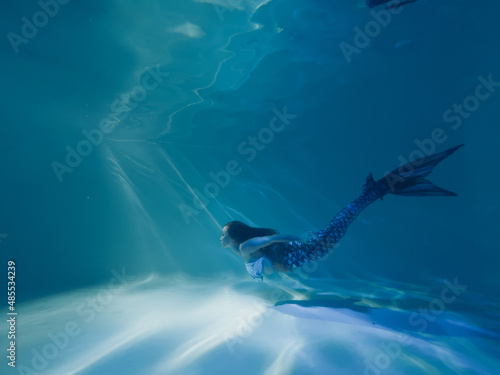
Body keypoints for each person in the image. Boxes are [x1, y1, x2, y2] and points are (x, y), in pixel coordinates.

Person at [220, 145, 464, 282]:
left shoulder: (245, 248)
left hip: (311, 247)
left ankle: (377, 189)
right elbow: (273, 251)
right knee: (348, 216)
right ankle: (375, 189)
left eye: (224, 234)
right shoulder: (244, 250)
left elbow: (272, 239)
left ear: (234, 237)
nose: (221, 238)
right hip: (308, 249)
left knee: (348, 216)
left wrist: (300, 238)